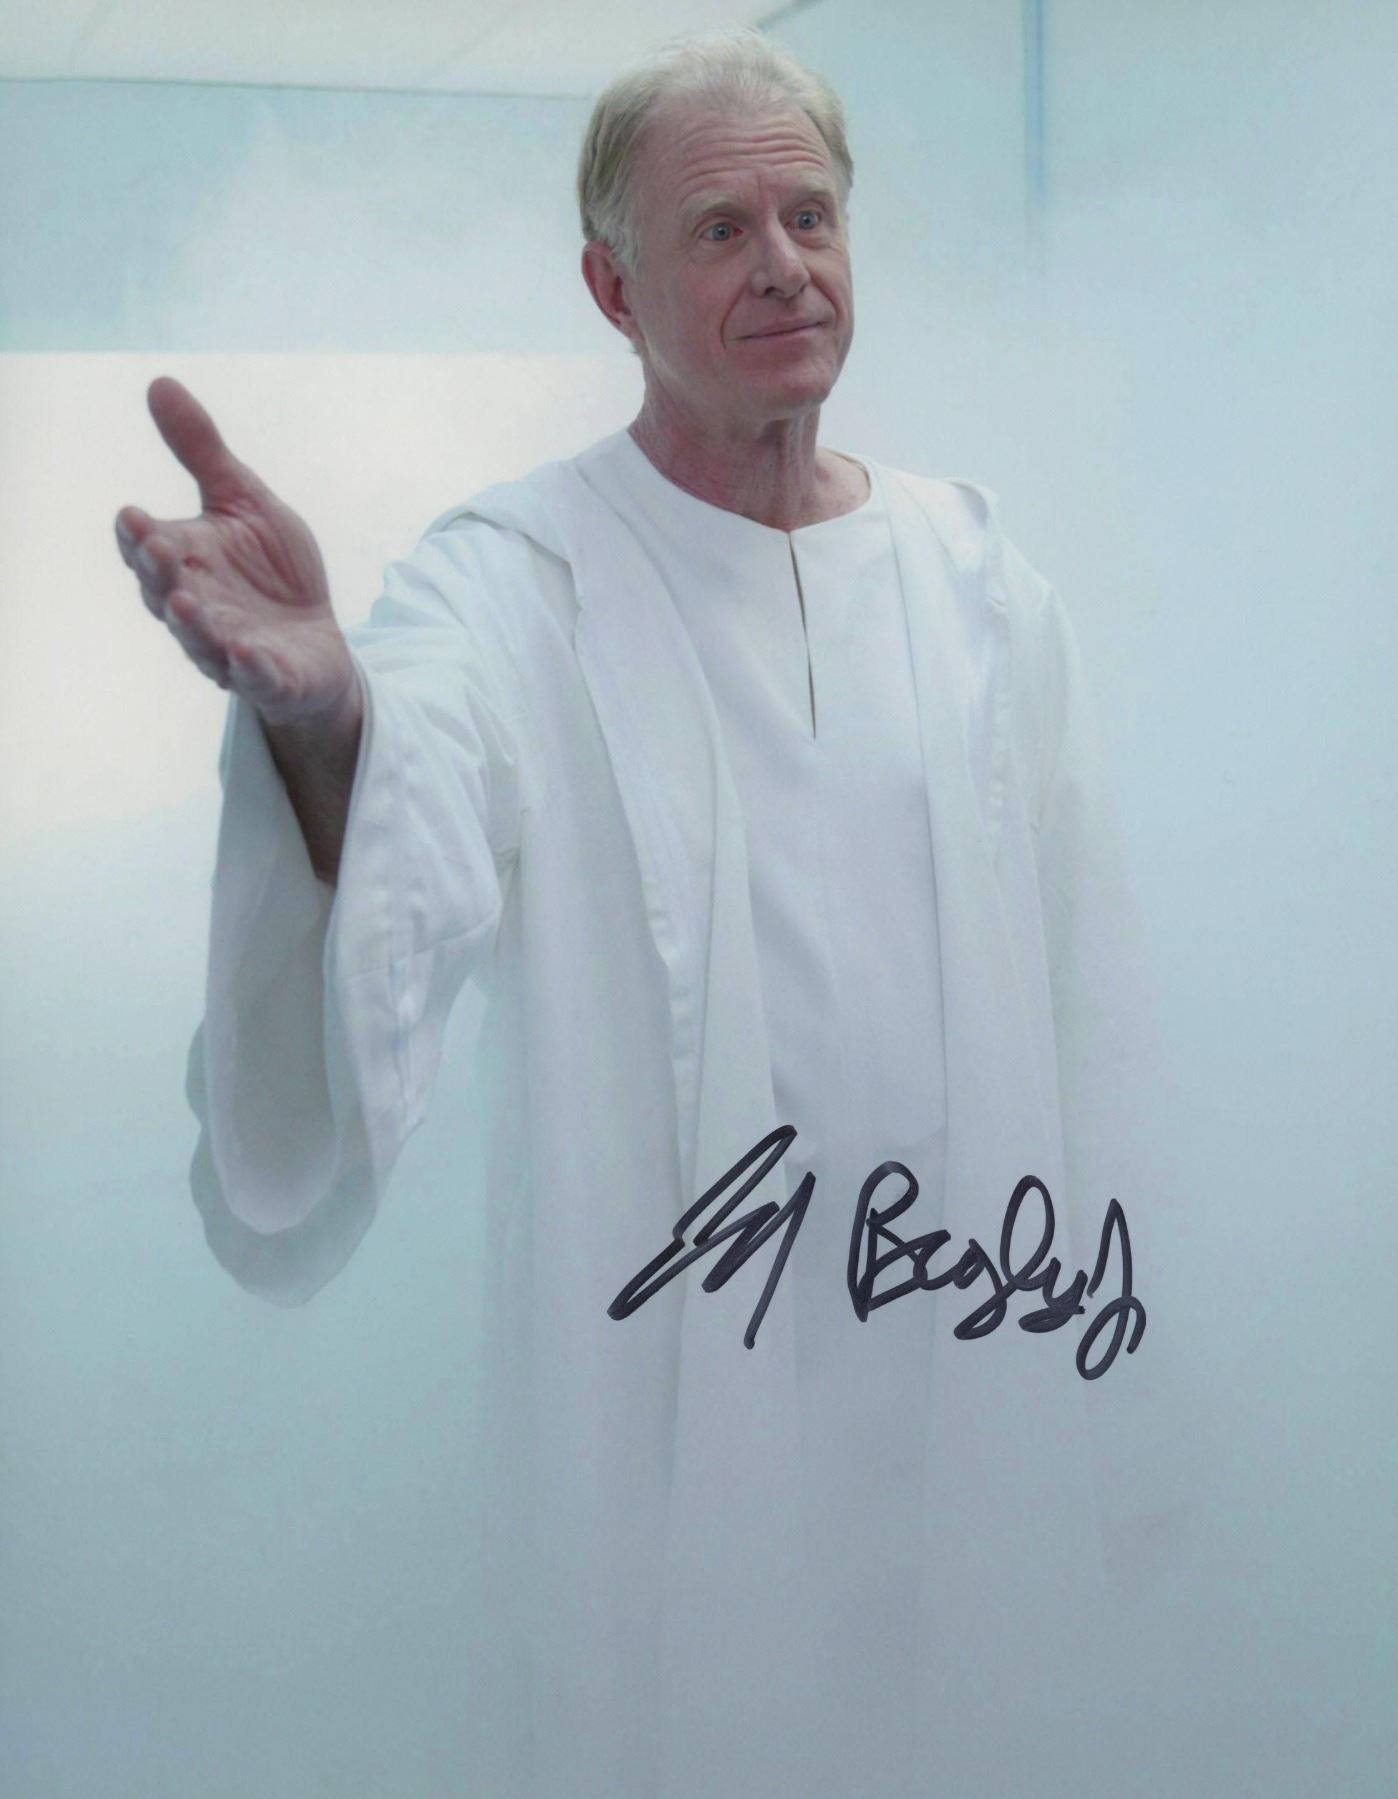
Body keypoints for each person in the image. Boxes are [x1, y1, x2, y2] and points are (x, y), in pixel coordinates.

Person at [114, 25, 1194, 1799]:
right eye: (718, 230)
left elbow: (1098, 1008)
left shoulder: (980, 582)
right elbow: (417, 791)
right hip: (683, 1399)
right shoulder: (516, 580)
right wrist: (323, 722)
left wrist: (1138, 1422)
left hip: (979, 1368)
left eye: (810, 217)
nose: (783, 265)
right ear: (611, 289)